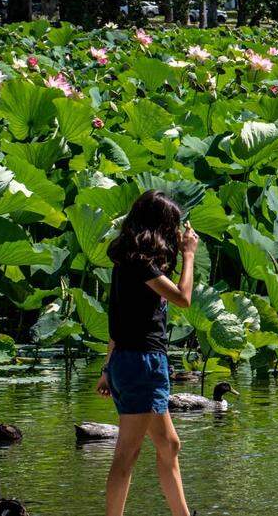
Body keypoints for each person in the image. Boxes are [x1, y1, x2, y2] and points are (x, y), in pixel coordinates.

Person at [97, 190, 199, 516]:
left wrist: (106, 368)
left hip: (133, 362)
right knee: (127, 454)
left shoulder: (127, 263)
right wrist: (189, 256)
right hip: (142, 364)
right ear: (159, 227)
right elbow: (184, 298)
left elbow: (118, 319)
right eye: (171, 227)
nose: (174, 233)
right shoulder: (141, 265)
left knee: (169, 445)